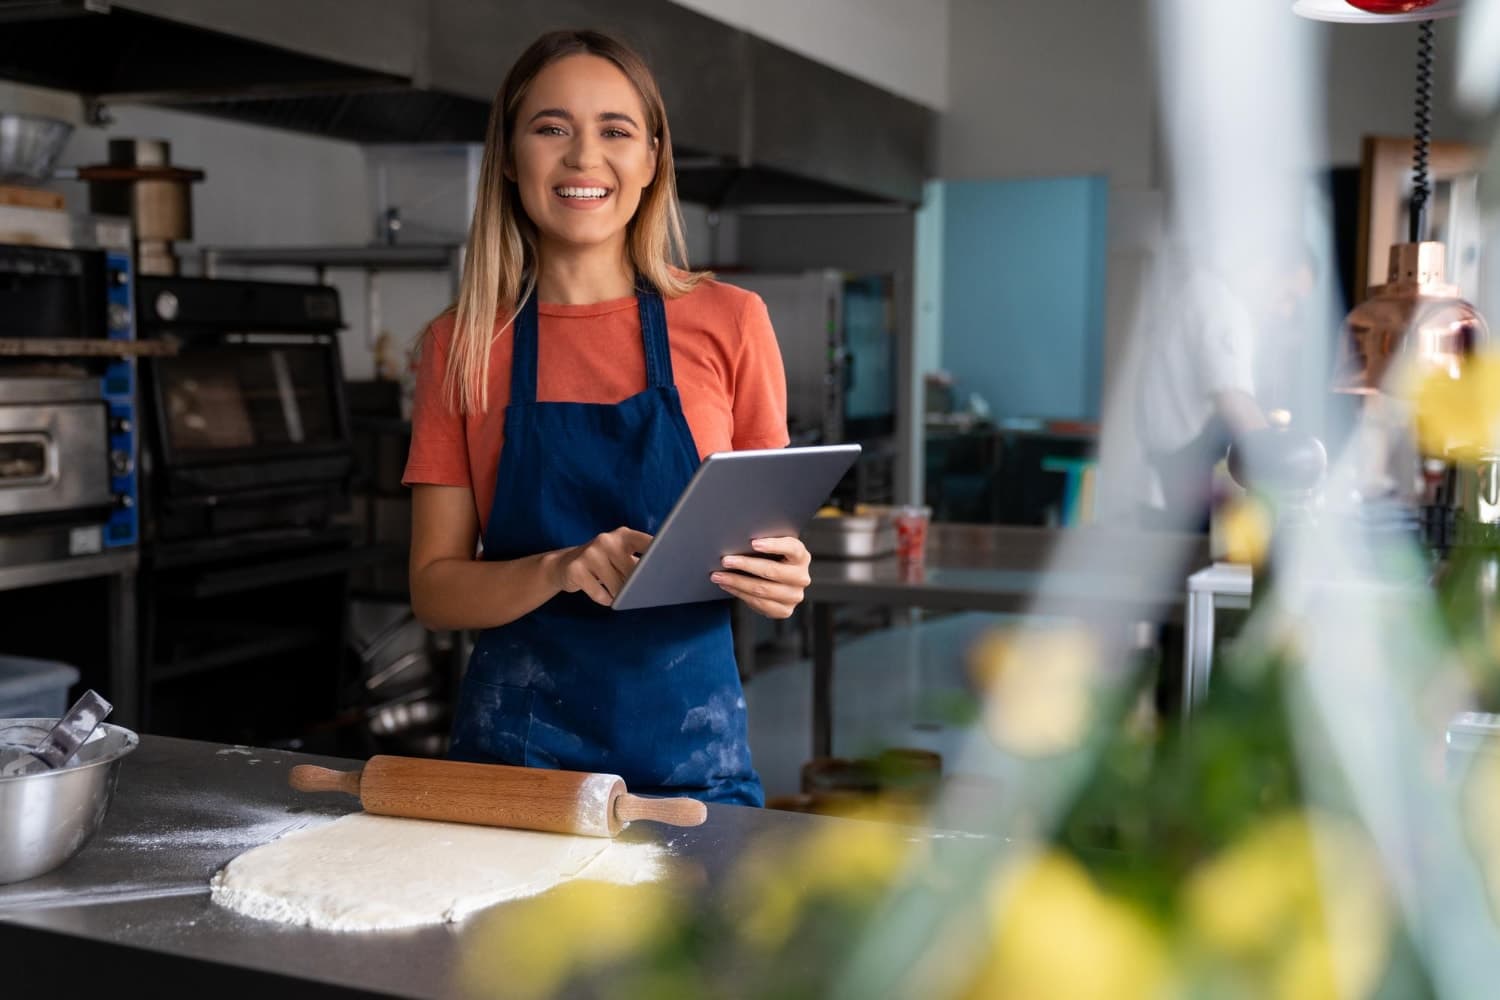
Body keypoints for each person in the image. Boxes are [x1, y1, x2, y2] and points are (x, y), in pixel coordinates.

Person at [401, 30, 809, 807]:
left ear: (652, 159)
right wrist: (560, 568)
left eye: (615, 131)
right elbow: (434, 590)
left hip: (693, 767)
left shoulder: (732, 321)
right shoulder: (461, 344)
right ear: (510, 155)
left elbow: (770, 547)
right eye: (551, 128)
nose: (584, 156)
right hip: (514, 772)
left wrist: (782, 578)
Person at [1134, 241, 1316, 530]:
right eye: (1288, 296)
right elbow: (1235, 403)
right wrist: (1287, 473)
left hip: (1169, 475)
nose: (1286, 311)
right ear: (1269, 268)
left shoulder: (1203, 293)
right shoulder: (1220, 307)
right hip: (1182, 480)